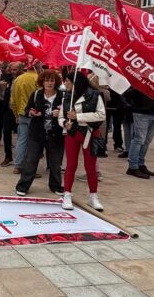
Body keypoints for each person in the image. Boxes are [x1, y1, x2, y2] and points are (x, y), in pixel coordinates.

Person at [58, 72, 105, 211]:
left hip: (90, 133)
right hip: (72, 133)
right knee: (70, 165)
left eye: (67, 81)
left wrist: (78, 116)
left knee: (90, 166)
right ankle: (67, 194)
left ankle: (93, 196)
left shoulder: (95, 95)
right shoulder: (67, 96)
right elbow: (61, 116)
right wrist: (65, 122)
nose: (65, 83)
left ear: (75, 82)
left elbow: (101, 114)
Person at [16, 70, 65, 196]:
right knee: (31, 160)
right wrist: (32, 113)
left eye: (52, 80)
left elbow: (69, 112)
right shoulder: (37, 94)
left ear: (56, 82)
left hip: (56, 134)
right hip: (37, 133)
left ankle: (55, 185)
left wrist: (61, 114)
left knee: (55, 162)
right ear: (42, 82)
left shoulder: (62, 96)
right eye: (47, 80)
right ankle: (23, 185)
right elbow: (27, 109)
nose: (49, 83)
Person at [125, 87, 154, 179]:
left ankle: (140, 164)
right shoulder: (141, 82)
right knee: (139, 140)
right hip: (141, 113)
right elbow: (127, 94)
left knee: (147, 141)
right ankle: (133, 167)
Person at [10, 62, 39, 174]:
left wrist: (16, 114)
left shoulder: (17, 79)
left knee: (21, 140)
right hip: (33, 115)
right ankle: (29, 167)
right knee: (33, 142)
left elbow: (13, 100)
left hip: (21, 114)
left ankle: (18, 165)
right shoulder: (37, 78)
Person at [0, 62, 19, 167]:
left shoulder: (22, 78)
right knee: (6, 132)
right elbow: (2, 96)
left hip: (19, 109)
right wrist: (3, 89)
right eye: (12, 69)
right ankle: (8, 156)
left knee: (21, 134)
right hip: (8, 109)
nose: (13, 72)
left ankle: (21, 158)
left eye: (15, 69)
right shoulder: (6, 78)